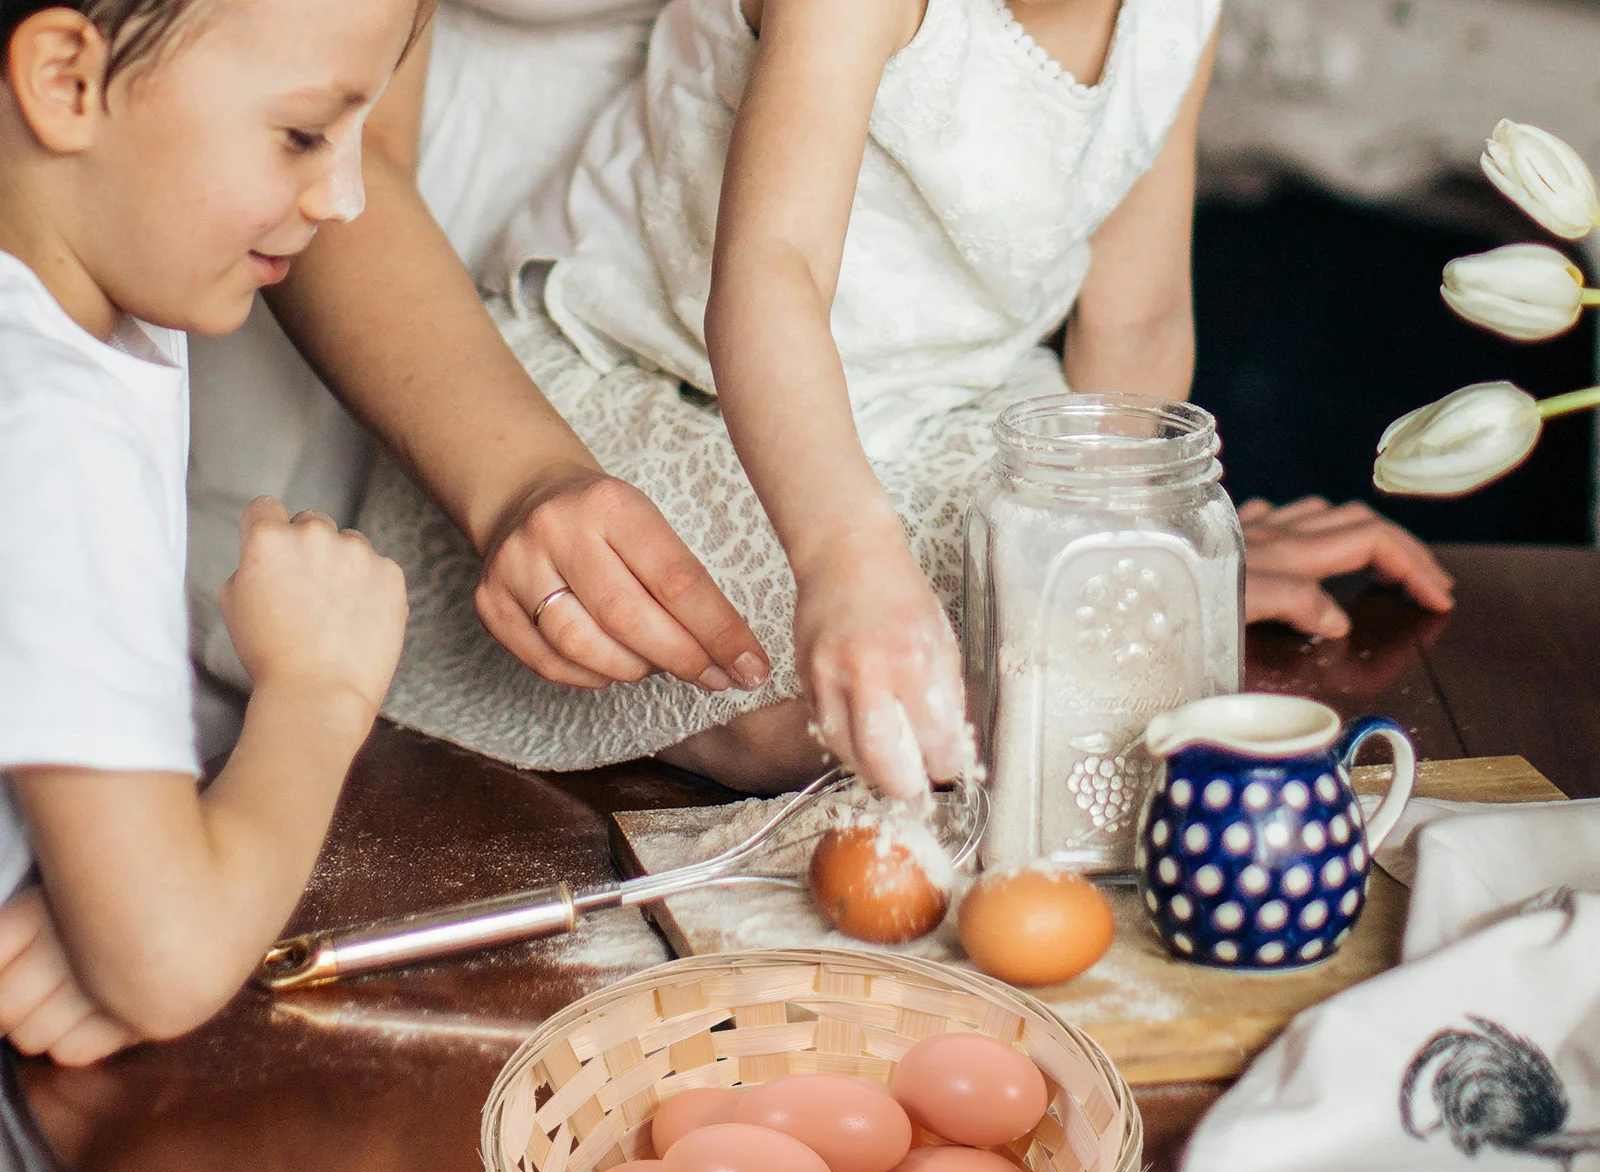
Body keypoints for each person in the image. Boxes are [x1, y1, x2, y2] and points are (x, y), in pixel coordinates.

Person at [334, 0, 1459, 798]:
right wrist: (844, 556)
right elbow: (768, 279)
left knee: (1059, 659)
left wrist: (1136, 540)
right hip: (683, 388)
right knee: (815, 698)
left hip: (944, 411)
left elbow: (1141, 314)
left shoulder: (1178, 17)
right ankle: (743, 735)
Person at [0, 0, 414, 1172]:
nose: (349, 197)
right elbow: (168, 959)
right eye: (306, 134)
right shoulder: (45, 424)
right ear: (68, 79)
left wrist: (106, 882)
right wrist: (314, 697)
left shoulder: (108, 306)